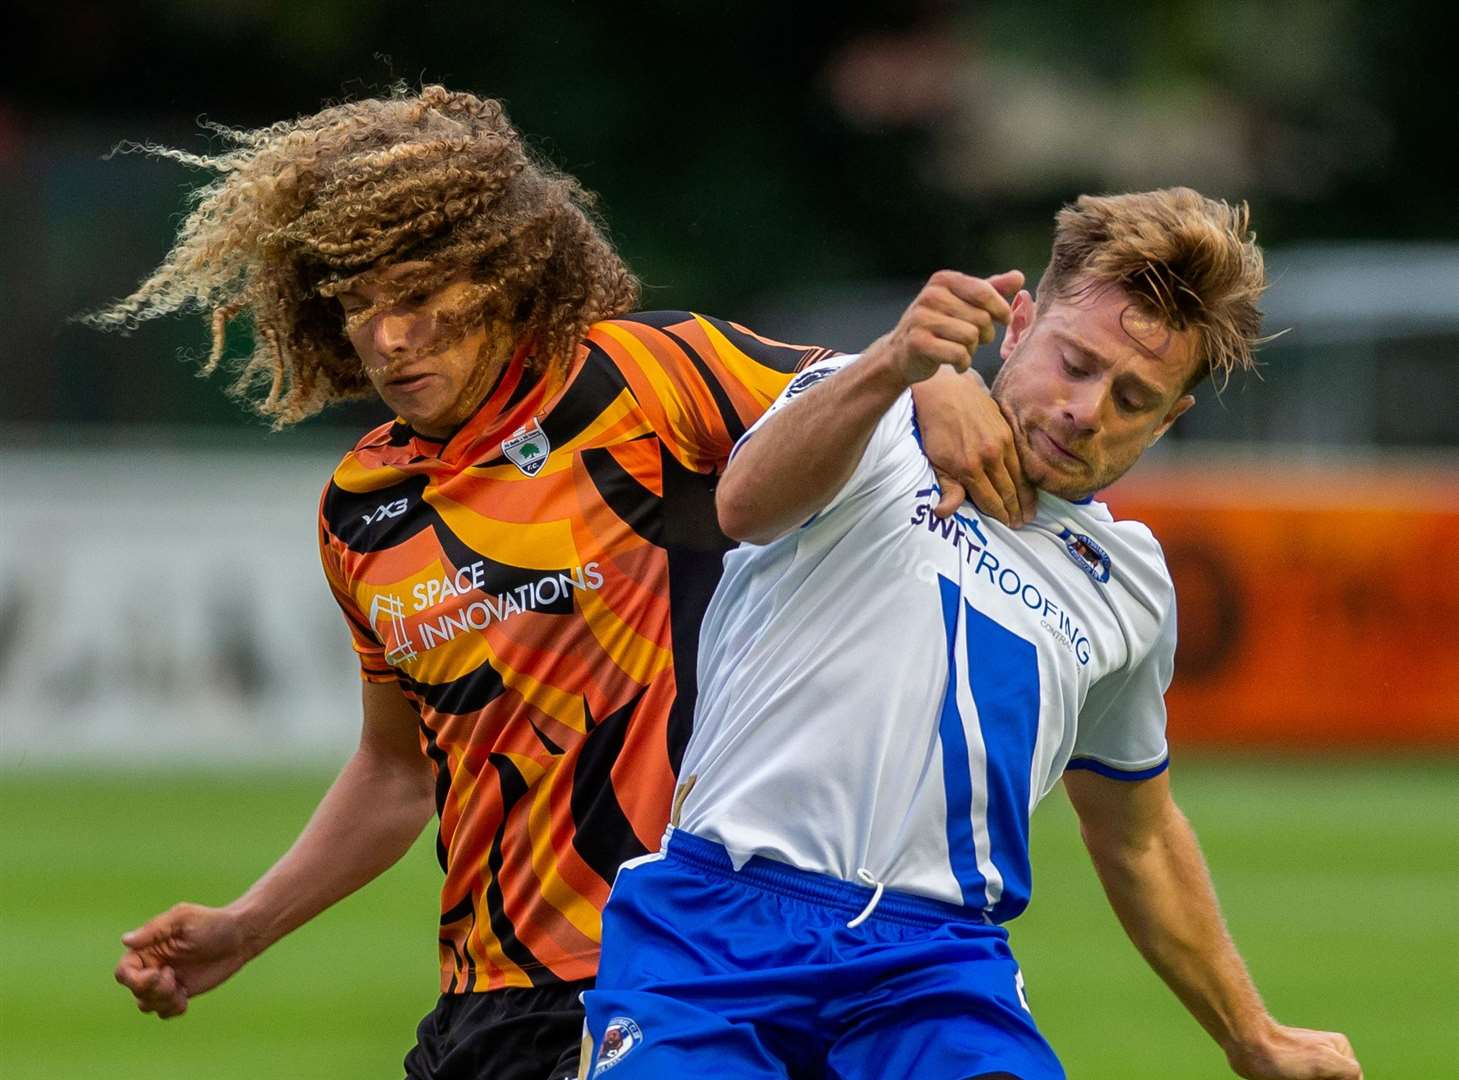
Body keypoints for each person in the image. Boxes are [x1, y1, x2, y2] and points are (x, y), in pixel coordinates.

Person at [90, 85, 1027, 1080]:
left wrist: (936, 377)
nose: (389, 336)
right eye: (357, 304)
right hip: (485, 1000)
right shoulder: (361, 508)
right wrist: (246, 927)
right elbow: (398, 771)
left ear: (502, 273)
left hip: (672, 971)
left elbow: (851, 387)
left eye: (417, 293)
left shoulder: (643, 378)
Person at [581, 189, 1364, 1080]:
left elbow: (1136, 833)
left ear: (1169, 421)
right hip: (714, 926)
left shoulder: (1134, 586)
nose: (1085, 409)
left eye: (1133, 398)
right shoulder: (870, 413)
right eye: (1075, 362)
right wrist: (898, 371)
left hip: (935, 970)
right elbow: (744, 505)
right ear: (1019, 321)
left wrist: (1249, 1033)